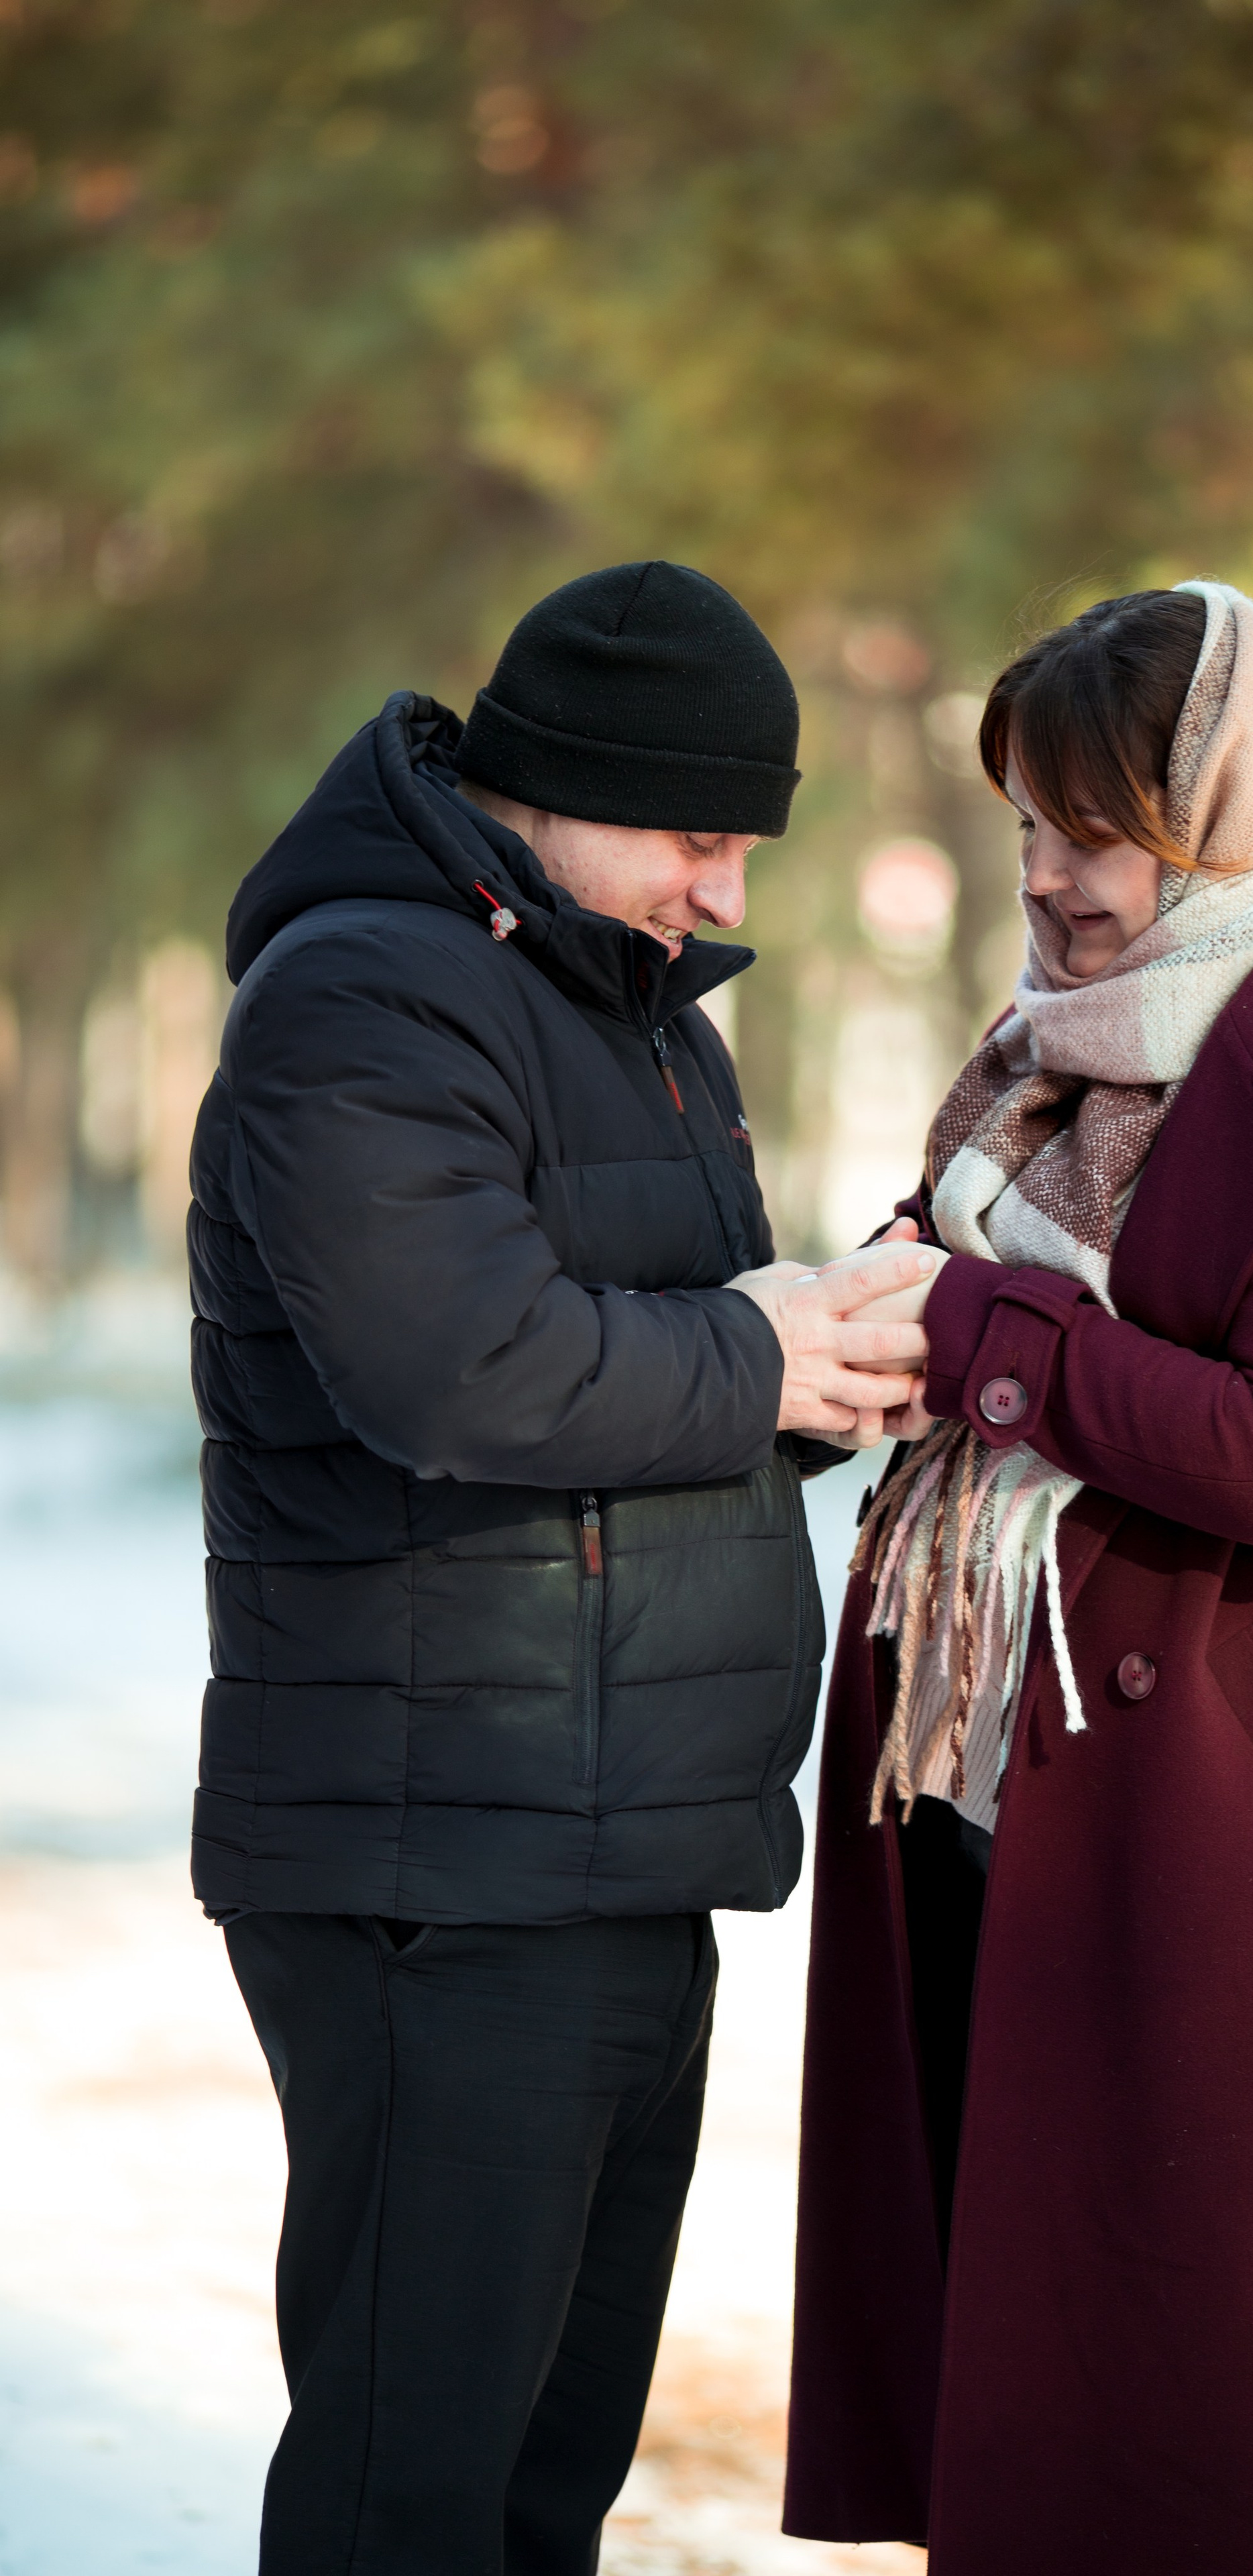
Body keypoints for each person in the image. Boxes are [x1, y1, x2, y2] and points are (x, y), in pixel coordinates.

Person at [186, 559, 936, 2575]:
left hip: (611, 1851)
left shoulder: (635, 1022)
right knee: (404, 2501)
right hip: (443, 1867)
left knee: (540, 2492)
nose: (725, 891)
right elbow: (461, 1365)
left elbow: (650, 1358)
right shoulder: (364, 991)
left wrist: (820, 1366)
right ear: (566, 787)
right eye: (695, 834)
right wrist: (762, 1345)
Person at [784, 582, 1253, 2575]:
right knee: (1032, 2379)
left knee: (1237, 2407)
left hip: (1217, 1799)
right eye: (1025, 827)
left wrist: (988, 1330)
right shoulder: (1050, 1051)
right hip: (988, 1763)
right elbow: (957, 1272)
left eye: (1093, 834)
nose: (1050, 879)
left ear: (1225, 815)